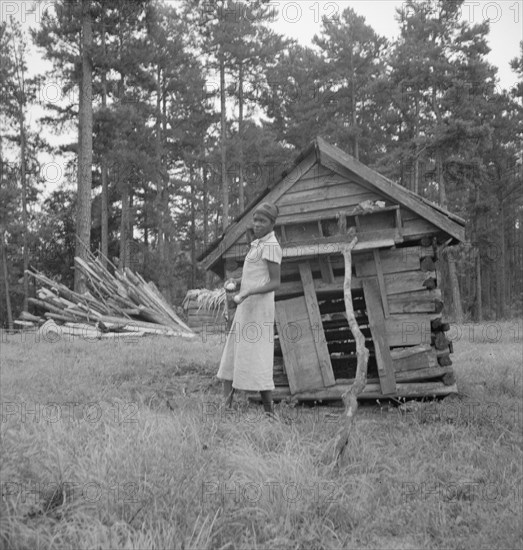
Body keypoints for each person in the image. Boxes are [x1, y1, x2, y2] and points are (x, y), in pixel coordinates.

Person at [217, 202, 282, 416]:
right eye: (255, 220)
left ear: (272, 223)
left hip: (259, 310)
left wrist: (247, 292)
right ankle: (226, 407)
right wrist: (237, 281)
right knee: (233, 353)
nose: (257, 224)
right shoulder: (257, 244)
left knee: (258, 357)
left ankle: (269, 412)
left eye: (263, 221)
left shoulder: (272, 246)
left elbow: (274, 283)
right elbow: (255, 276)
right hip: (246, 307)